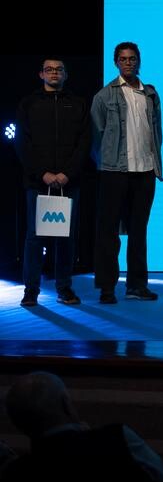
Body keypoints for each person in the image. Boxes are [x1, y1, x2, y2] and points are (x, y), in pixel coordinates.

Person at [1, 372, 163, 482]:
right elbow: (161, 481)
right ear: (66, 404)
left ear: (18, 423)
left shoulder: (13, 476)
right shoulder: (117, 438)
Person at [15, 57, 91, 307]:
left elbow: (84, 142)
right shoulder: (29, 103)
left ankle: (64, 288)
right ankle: (31, 290)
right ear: (41, 75)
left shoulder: (78, 104)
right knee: (35, 237)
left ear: (66, 74)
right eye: (49, 69)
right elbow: (22, 143)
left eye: (59, 69)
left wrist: (67, 173)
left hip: (69, 182)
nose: (54, 73)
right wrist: (43, 174)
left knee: (66, 237)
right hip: (38, 183)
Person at [91, 42, 163, 303]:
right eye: (123, 59)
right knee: (108, 231)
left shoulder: (150, 94)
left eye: (132, 58)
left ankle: (137, 285)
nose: (128, 62)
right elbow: (95, 136)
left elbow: (156, 133)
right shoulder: (104, 96)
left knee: (138, 231)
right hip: (114, 171)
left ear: (138, 61)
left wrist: (154, 163)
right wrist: (106, 163)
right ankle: (107, 288)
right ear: (116, 62)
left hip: (144, 171)